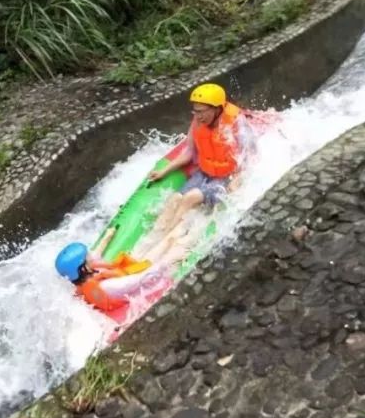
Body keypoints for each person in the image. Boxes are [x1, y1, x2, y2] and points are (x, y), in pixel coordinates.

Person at [147, 83, 250, 236]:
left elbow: (248, 156)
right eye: (195, 111)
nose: (198, 116)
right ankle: (152, 236)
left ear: (216, 108)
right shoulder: (198, 121)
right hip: (204, 173)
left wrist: (237, 180)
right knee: (175, 198)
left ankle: (162, 239)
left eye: (202, 111)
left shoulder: (235, 122)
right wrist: (164, 171)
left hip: (226, 177)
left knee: (190, 198)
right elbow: (189, 152)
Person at [54, 224, 195, 312]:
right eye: (87, 256)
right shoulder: (108, 286)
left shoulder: (82, 278)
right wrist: (170, 258)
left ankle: (178, 228)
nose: (90, 254)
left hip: (129, 271)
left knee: (169, 238)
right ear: (83, 268)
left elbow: (95, 255)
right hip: (138, 277)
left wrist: (107, 237)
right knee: (172, 243)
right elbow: (142, 279)